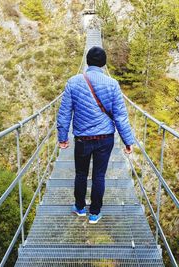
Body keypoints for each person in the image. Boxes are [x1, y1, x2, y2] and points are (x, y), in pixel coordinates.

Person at [57, 46, 134, 224]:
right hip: (105, 138)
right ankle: (95, 213)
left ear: (87, 61)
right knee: (99, 175)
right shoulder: (113, 84)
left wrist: (63, 137)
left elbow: (64, 113)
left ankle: (80, 207)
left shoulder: (73, 82)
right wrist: (127, 141)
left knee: (81, 174)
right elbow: (120, 116)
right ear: (104, 63)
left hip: (83, 139)